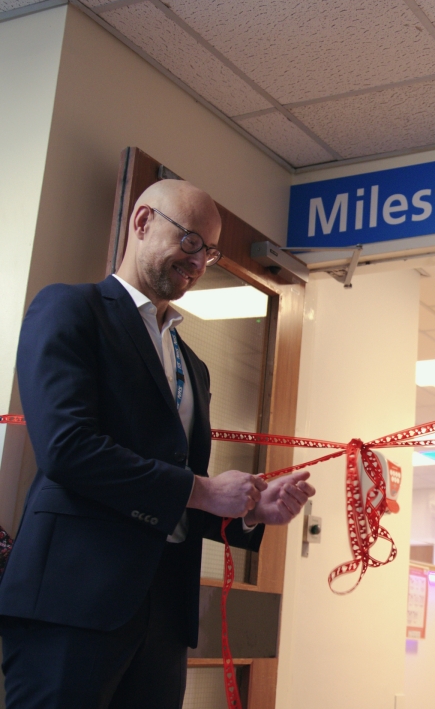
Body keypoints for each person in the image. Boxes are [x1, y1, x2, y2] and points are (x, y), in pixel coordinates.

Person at [0, 180, 315, 709]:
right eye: (190, 241)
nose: (198, 262)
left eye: (209, 252)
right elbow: (67, 448)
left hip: (164, 617)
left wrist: (247, 510)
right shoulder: (71, 309)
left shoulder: (194, 365)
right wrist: (203, 490)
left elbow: (179, 491)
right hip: (72, 607)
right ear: (143, 222)